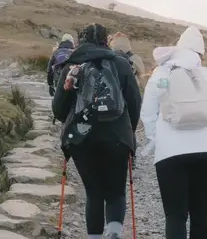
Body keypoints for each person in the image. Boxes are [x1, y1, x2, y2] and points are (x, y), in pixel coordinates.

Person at [139, 26, 207, 239]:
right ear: (200, 53)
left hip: (170, 153)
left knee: (175, 215)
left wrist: (158, 138)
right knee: (200, 212)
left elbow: (148, 115)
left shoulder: (161, 73)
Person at [52, 23, 142, 239]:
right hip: (117, 136)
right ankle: (113, 232)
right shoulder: (121, 64)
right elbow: (135, 103)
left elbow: (58, 110)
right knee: (115, 191)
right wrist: (129, 131)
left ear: (81, 41)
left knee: (94, 192)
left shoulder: (72, 65)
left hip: (82, 138)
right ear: (106, 40)